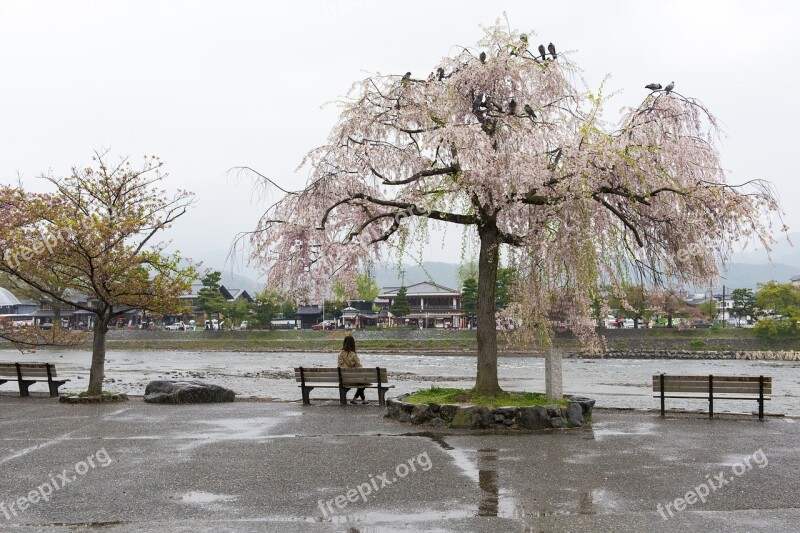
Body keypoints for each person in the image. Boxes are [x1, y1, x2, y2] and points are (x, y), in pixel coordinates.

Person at [338, 335, 368, 404]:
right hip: (353, 379)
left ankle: (357, 399)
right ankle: (357, 399)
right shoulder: (353, 354)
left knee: (362, 383)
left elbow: (340, 365)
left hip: (343, 380)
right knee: (364, 383)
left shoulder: (340, 354)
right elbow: (359, 367)